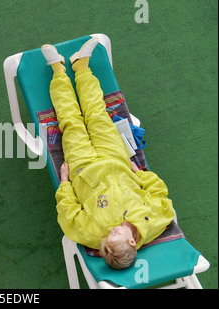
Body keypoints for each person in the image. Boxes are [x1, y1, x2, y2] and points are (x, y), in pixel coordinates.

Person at [41, 37, 175, 269]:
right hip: (115, 157)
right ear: (133, 241)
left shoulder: (93, 234)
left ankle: (58, 71)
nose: (109, 233)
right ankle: (81, 66)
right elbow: (160, 194)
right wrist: (140, 174)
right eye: (115, 235)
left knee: (71, 121)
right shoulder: (156, 220)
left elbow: (68, 215)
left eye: (106, 239)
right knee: (97, 114)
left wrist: (64, 183)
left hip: (82, 166)